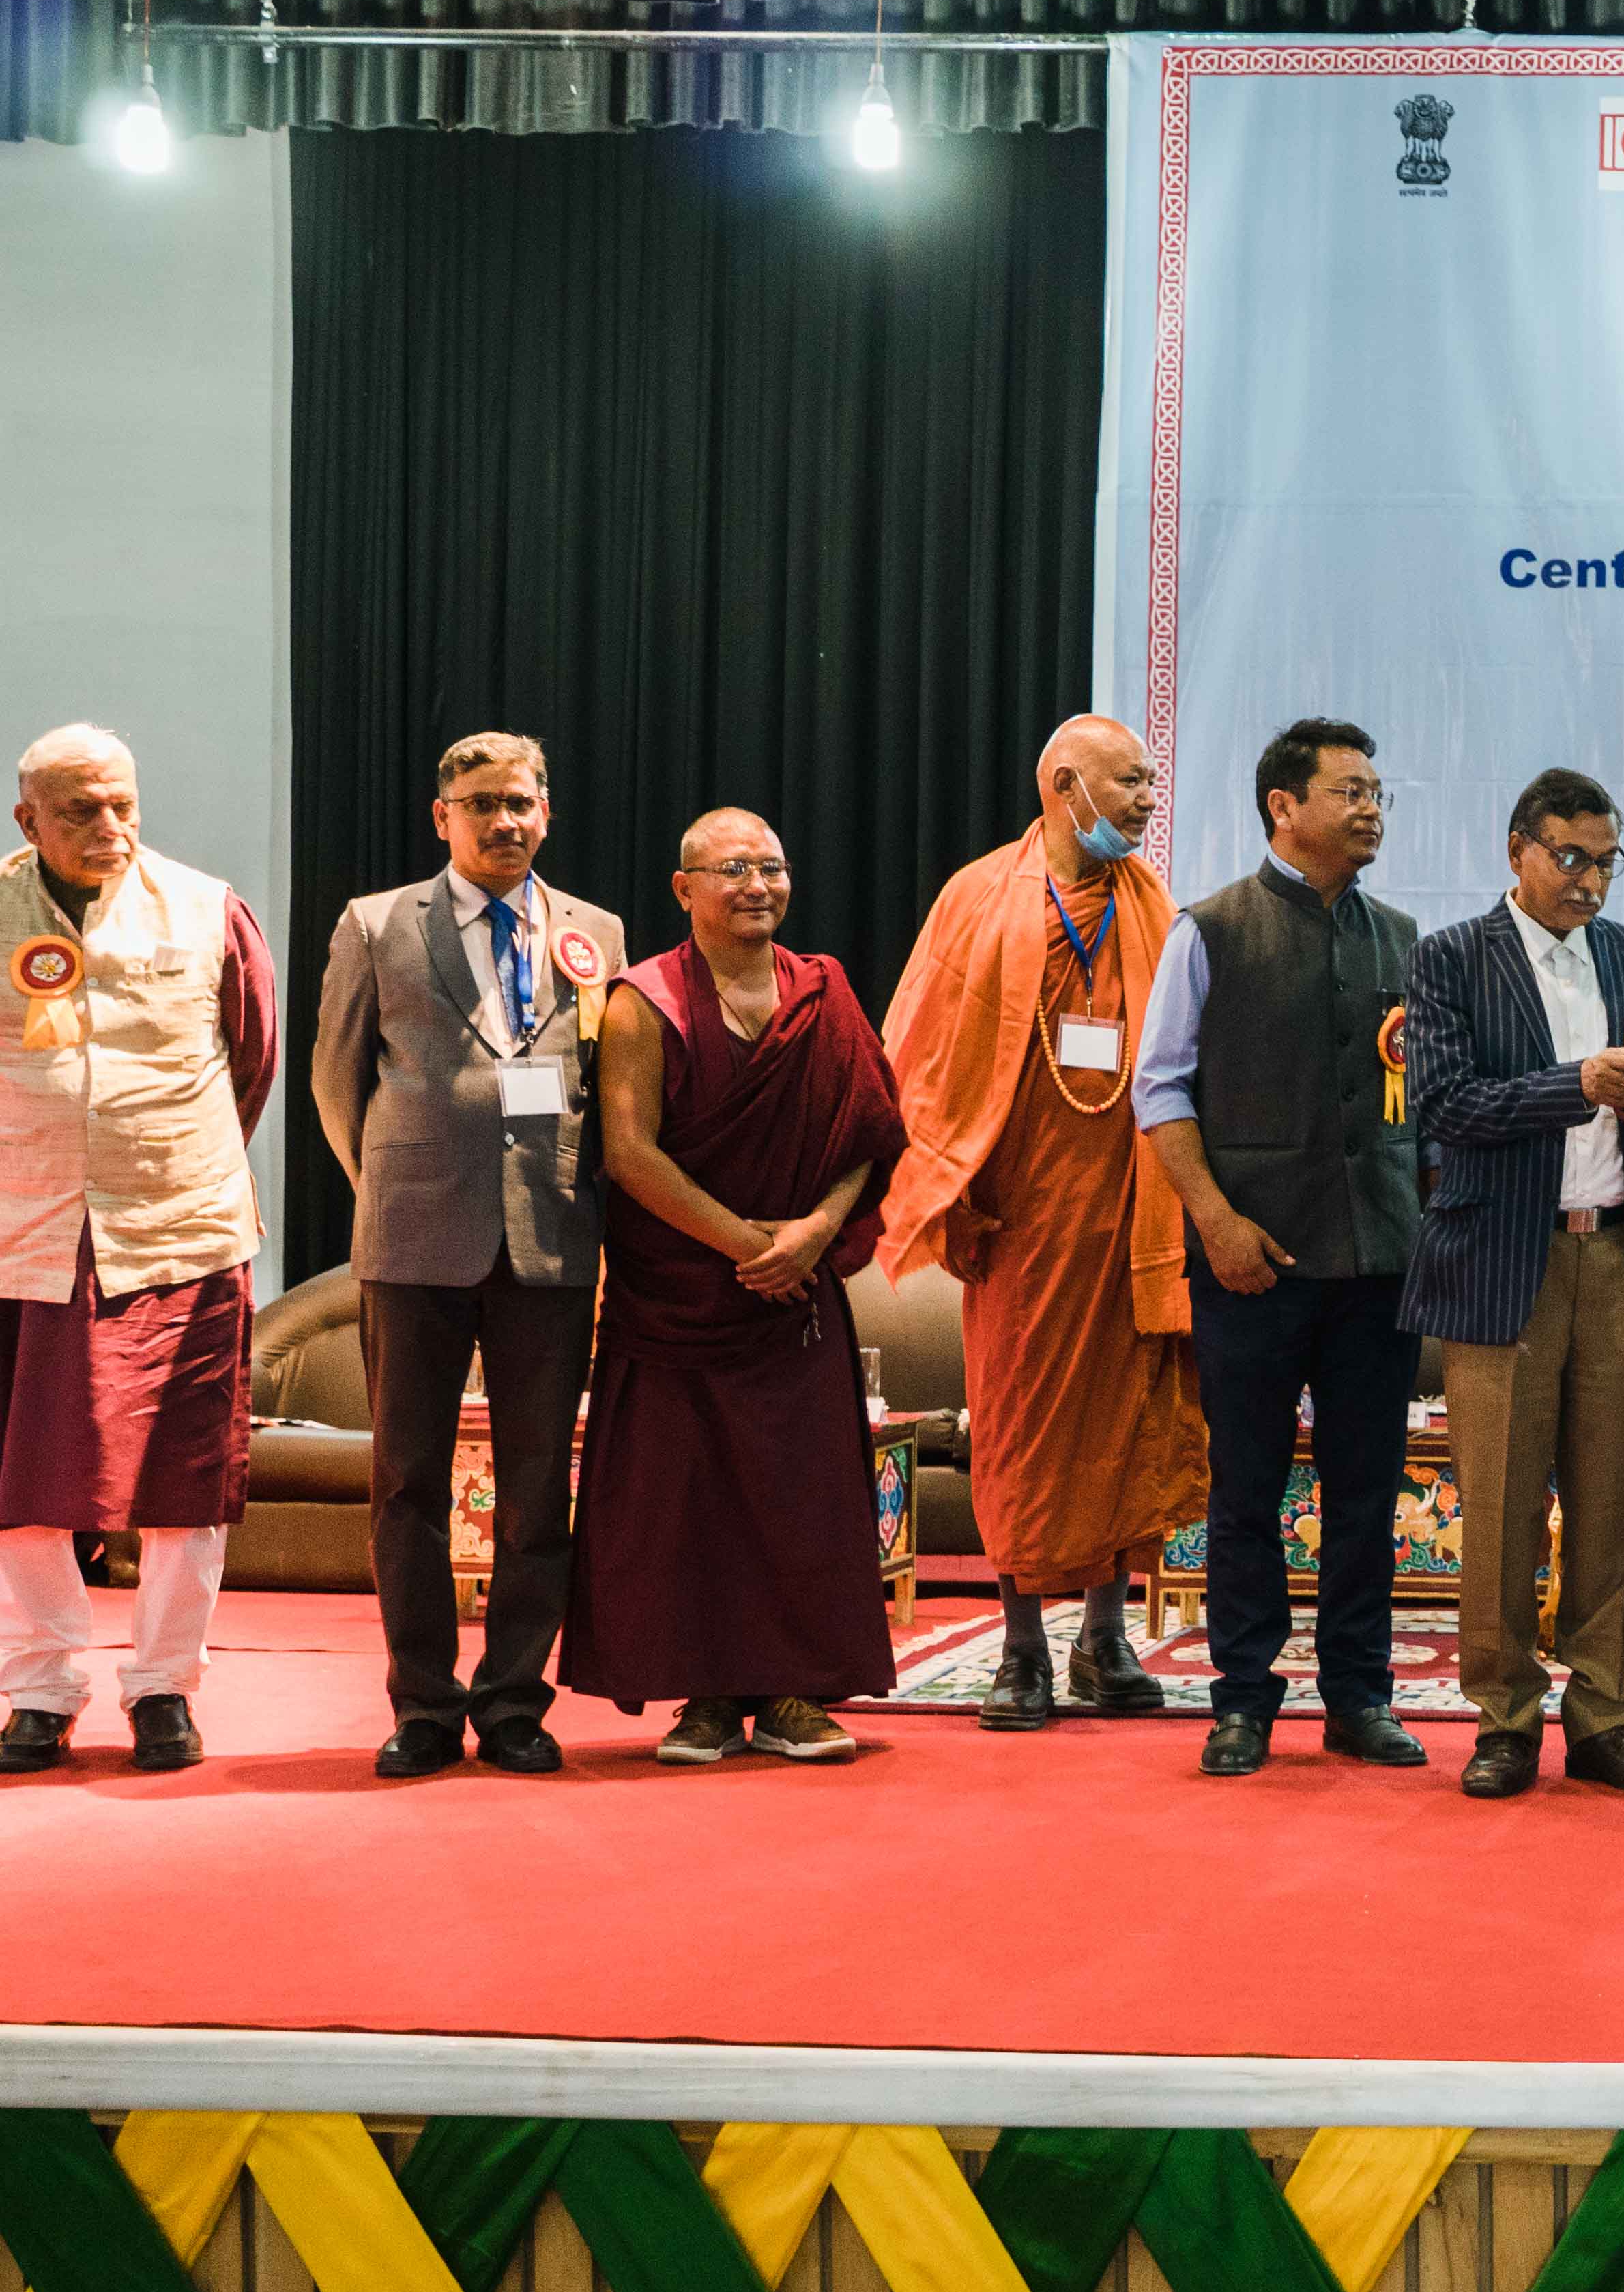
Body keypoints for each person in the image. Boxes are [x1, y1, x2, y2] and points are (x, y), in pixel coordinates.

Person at [310, 733, 630, 1778]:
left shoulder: (594, 932)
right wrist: (387, 1183)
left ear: (548, 812)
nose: (505, 821)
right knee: (408, 1481)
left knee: (539, 1486)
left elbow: (606, 1080)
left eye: (522, 802)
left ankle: (512, 1706)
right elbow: (336, 1082)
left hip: (550, 1236)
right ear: (442, 816)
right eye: (483, 803)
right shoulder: (376, 924)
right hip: (413, 1238)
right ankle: (423, 1707)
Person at [883, 713, 1210, 1731]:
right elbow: (920, 1054)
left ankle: (1105, 1641)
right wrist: (951, 1194)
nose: (1148, 800)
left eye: (1151, 782)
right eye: (1131, 781)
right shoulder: (978, 898)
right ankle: (1022, 1647)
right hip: (1019, 1224)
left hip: (1131, 1216)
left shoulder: (1153, 906)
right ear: (1066, 786)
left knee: (1125, 1427)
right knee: (1021, 1430)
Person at [564, 811, 910, 1760]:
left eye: (772, 867)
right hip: (681, 1295)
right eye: (734, 869)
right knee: (685, 1503)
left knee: (802, 1497)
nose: (758, 885)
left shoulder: (823, 991)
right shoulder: (644, 1002)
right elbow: (630, 1154)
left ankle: (795, 1695)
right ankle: (708, 1699)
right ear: (686, 889)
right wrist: (749, 1247)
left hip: (793, 1295)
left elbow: (869, 1133)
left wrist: (814, 1234)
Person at [1404, 768, 1624, 1799]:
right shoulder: (1451, 957)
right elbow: (1444, 1106)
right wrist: (1574, 1084)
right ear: (1517, 851)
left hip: (1623, 1256)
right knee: (1499, 1504)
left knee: (1621, 1501)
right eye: (1570, 857)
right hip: (1504, 1263)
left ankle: (1607, 1717)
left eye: (1607, 862)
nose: (1590, 881)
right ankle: (1504, 1721)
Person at [1135, 719, 1432, 1777]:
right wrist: (1215, 1222)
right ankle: (1243, 1701)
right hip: (1249, 1263)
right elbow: (1159, 1091)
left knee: (1366, 1495)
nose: (1371, 808)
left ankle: (1359, 1697)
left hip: (1377, 1264)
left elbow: (1418, 1098)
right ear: (1284, 806)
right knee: (1247, 1491)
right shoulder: (1208, 930)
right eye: (1350, 791)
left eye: (1377, 791)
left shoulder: (1405, 939)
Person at [0, 727, 276, 1776]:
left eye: (122, 804)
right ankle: (39, 1689)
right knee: (16, 1483)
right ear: (29, 820)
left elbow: (251, 1058)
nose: (109, 826)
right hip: (20, 1238)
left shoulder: (207, 909)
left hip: (177, 1238)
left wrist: (160, 1161)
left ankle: (165, 1688)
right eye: (81, 811)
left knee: (183, 1481)